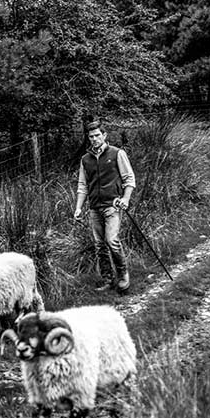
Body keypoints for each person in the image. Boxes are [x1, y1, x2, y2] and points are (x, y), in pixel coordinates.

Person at [73, 121, 136, 293]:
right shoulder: (85, 160)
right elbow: (82, 186)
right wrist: (78, 208)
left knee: (112, 241)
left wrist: (125, 199)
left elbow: (129, 179)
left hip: (113, 205)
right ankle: (108, 279)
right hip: (94, 207)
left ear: (104, 135)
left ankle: (123, 274)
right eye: (91, 136)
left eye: (97, 135)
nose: (94, 139)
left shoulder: (117, 153)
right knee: (99, 245)